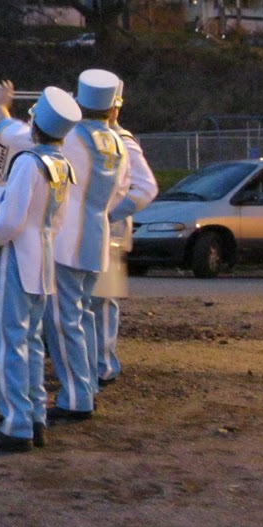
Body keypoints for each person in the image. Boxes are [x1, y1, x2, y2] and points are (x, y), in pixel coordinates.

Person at [0, 87, 80, 451]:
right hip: (45, 257)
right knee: (32, 342)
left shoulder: (29, 163)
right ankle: (35, 417)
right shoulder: (63, 166)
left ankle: (15, 424)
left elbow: (11, 223)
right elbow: (58, 219)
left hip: (21, 257)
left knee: (11, 343)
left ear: (35, 125)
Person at [48, 68, 129, 421]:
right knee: (84, 317)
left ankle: (77, 395)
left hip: (66, 238)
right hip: (97, 237)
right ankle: (88, 384)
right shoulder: (117, 142)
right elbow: (122, 192)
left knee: (63, 321)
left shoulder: (70, 138)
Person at [96, 78, 158, 386]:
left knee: (104, 302)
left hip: (111, 233)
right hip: (95, 231)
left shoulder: (123, 141)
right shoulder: (95, 138)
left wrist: (108, 216)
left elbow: (146, 188)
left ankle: (105, 364)